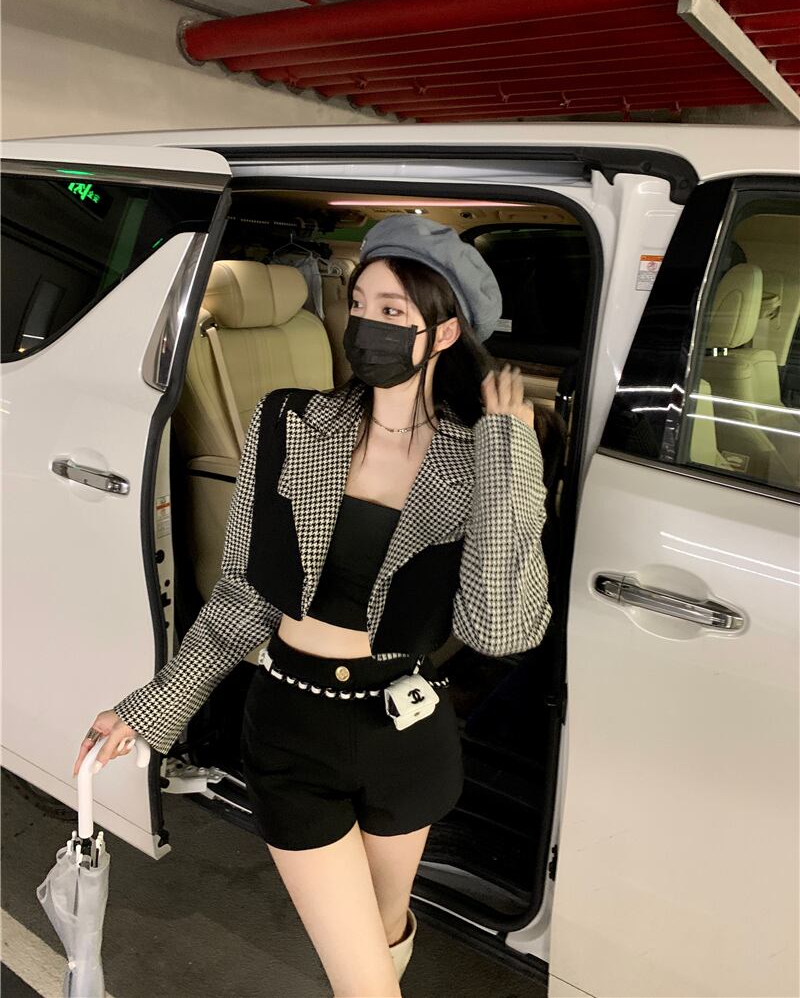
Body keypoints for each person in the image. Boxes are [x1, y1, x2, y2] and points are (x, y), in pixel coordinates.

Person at [72, 214, 552, 997]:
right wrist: (149, 710)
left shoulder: (482, 458)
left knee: (384, 930)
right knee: (365, 982)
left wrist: (509, 451)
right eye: (359, 304)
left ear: (443, 332)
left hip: (406, 737)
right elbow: (240, 599)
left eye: (392, 311)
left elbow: (498, 628)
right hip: (292, 727)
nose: (366, 324)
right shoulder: (290, 421)